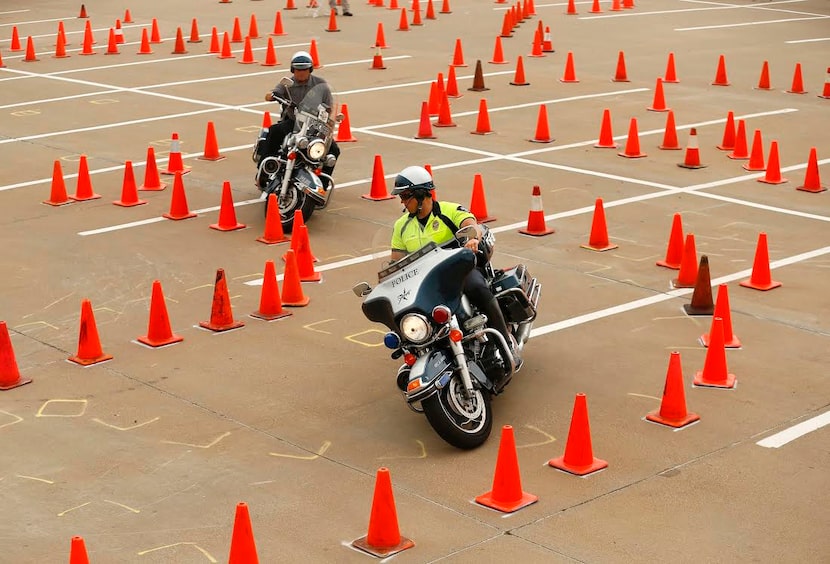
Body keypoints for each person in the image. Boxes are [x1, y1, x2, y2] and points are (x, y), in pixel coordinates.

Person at [388, 166, 521, 369]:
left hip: (459, 271)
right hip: (426, 282)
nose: (403, 201)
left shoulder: (449, 211)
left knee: (477, 288)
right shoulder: (402, 225)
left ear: (422, 194)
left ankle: (505, 342)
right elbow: (396, 259)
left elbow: (470, 223)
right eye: (402, 197)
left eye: (406, 195)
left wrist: (472, 239)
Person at [257, 50, 341, 187]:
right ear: (293, 70)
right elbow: (272, 93)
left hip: (314, 125)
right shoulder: (287, 83)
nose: (301, 72)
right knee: (273, 132)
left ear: (310, 69)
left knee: (333, 150)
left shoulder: (321, 85)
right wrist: (273, 95)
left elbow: (329, 108)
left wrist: (329, 126)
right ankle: (265, 168)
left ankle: (323, 184)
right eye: (298, 69)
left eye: (305, 69)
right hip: (293, 121)